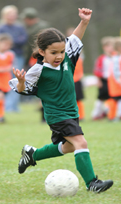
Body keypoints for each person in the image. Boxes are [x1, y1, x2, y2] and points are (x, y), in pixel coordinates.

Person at [9, 8, 113, 193]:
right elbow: (21, 90)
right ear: (42, 51)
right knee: (81, 143)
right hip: (57, 115)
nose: (58, 56)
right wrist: (22, 82)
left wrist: (84, 22)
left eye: (62, 51)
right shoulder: (38, 70)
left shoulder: (68, 59)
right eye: (53, 52)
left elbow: (75, 39)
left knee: (69, 147)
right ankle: (92, 184)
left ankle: (32, 154)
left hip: (72, 112)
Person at [0, 5, 28, 112]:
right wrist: (13, 41)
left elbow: (23, 40)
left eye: (14, 14)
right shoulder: (2, 28)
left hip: (18, 56)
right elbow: (1, 42)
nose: (12, 16)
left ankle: (14, 106)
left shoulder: (20, 27)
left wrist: (11, 41)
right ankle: (8, 106)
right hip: (6, 58)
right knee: (8, 81)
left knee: (18, 80)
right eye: (10, 14)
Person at [92, 37, 115, 120]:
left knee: (113, 98)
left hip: (113, 81)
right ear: (104, 47)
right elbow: (97, 70)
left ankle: (108, 113)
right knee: (101, 98)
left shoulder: (115, 57)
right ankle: (96, 114)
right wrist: (99, 81)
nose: (111, 48)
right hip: (104, 80)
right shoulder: (102, 58)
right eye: (109, 46)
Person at [66, 27, 85, 121]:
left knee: (78, 98)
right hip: (69, 78)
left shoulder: (79, 50)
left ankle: (81, 115)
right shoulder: (66, 49)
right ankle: (72, 114)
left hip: (77, 78)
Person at [107, 37, 121, 120]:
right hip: (116, 81)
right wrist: (119, 80)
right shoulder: (116, 58)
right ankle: (113, 116)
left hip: (116, 81)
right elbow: (116, 71)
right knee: (116, 99)